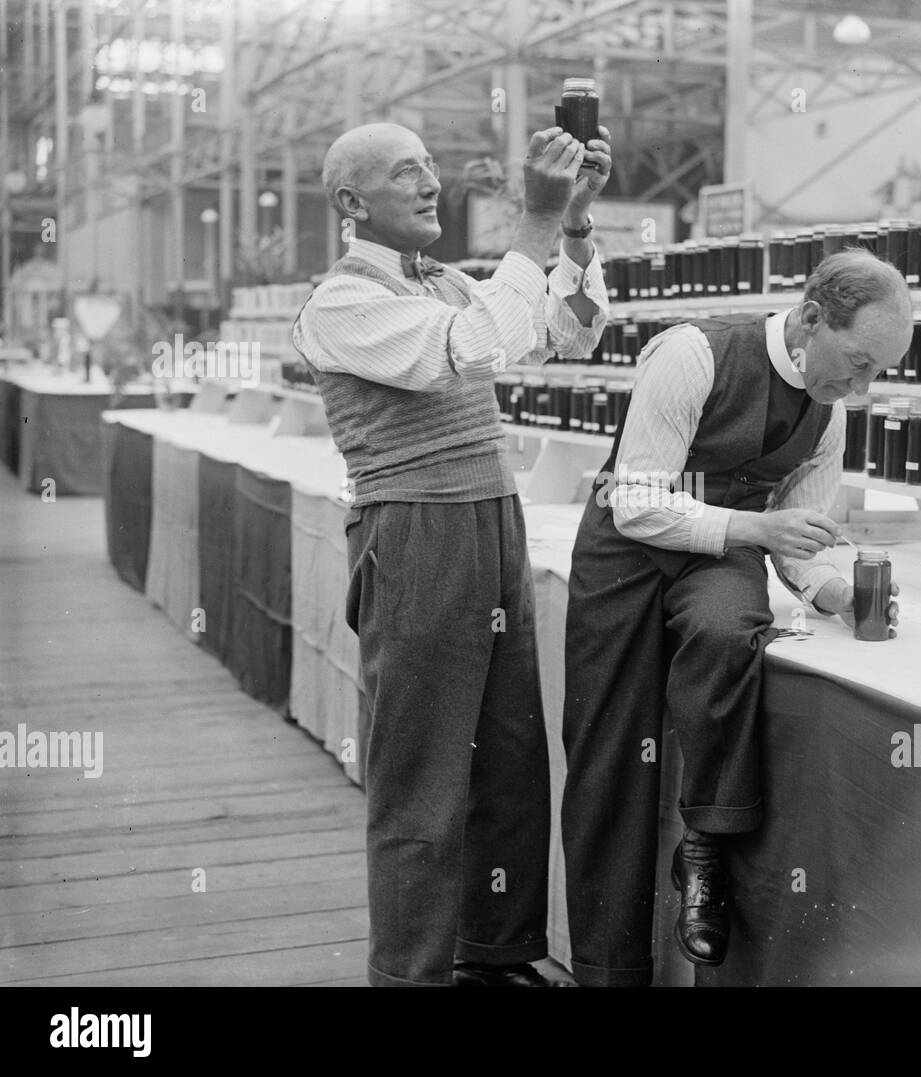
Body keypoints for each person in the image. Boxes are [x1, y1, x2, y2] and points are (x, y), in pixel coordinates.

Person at [292, 120, 611, 987]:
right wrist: (536, 225)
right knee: (423, 775)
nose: (431, 183)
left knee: (509, 757)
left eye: (432, 166)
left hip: (491, 518)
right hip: (416, 534)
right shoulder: (341, 304)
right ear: (353, 203)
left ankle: (498, 954)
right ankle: (411, 975)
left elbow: (572, 331)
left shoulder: (446, 282)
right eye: (407, 173)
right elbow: (466, 349)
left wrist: (575, 224)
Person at [561, 248, 910, 987]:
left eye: (877, 371)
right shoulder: (693, 354)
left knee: (727, 631)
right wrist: (757, 531)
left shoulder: (828, 416)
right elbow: (640, 503)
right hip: (625, 553)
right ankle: (606, 969)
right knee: (608, 757)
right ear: (812, 317)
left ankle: (706, 848)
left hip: (717, 558)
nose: (861, 386)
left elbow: (800, 533)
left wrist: (832, 591)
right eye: (856, 362)